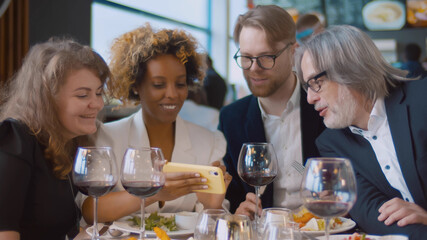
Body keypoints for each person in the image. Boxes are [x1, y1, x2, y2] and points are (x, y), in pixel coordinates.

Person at [83, 23, 232, 224]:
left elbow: (218, 222)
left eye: (180, 84)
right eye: (159, 85)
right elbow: (90, 210)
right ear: (136, 86)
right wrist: (153, 193)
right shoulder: (107, 137)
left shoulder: (210, 142)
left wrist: (212, 207)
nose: (172, 94)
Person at [295, 25, 427, 239]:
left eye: (316, 83)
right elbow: (377, 219)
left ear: (350, 70)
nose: (310, 98)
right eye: (306, 86)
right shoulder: (332, 144)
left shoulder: (422, 102)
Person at [218, 5, 325, 217]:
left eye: (266, 56)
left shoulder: (323, 107)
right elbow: (231, 195)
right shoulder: (232, 118)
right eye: (246, 57)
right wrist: (238, 212)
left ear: (293, 51)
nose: (254, 68)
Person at [0, 39, 110, 239]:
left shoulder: (69, 142)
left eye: (99, 93)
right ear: (47, 98)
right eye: (83, 95)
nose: (97, 104)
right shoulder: (15, 140)